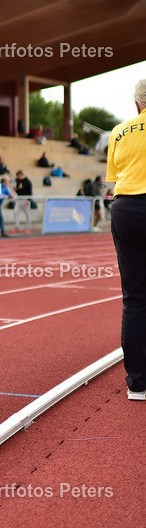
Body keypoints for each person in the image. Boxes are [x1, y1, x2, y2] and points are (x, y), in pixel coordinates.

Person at [105, 79, 146, 400]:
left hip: (126, 208)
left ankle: (137, 382)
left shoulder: (119, 132)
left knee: (134, 297)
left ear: (137, 105)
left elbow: (116, 176)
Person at [12, 169, 33, 233]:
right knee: (16, 213)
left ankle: (28, 227)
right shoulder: (17, 180)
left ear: (21, 175)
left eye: (19, 176)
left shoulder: (27, 181)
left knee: (27, 214)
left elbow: (30, 192)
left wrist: (28, 200)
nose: (18, 178)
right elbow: (17, 189)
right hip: (19, 198)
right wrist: (16, 189)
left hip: (25, 199)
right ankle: (16, 227)